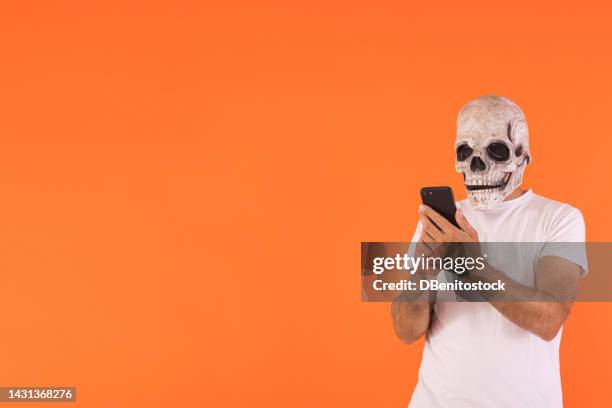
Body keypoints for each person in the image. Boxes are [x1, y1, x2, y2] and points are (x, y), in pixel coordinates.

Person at [391, 95, 587, 407]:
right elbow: (406, 330)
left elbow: (548, 321)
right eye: (465, 152)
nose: (477, 165)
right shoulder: (443, 221)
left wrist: (474, 264)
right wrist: (425, 269)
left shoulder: (560, 219)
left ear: (522, 155)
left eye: (496, 151)